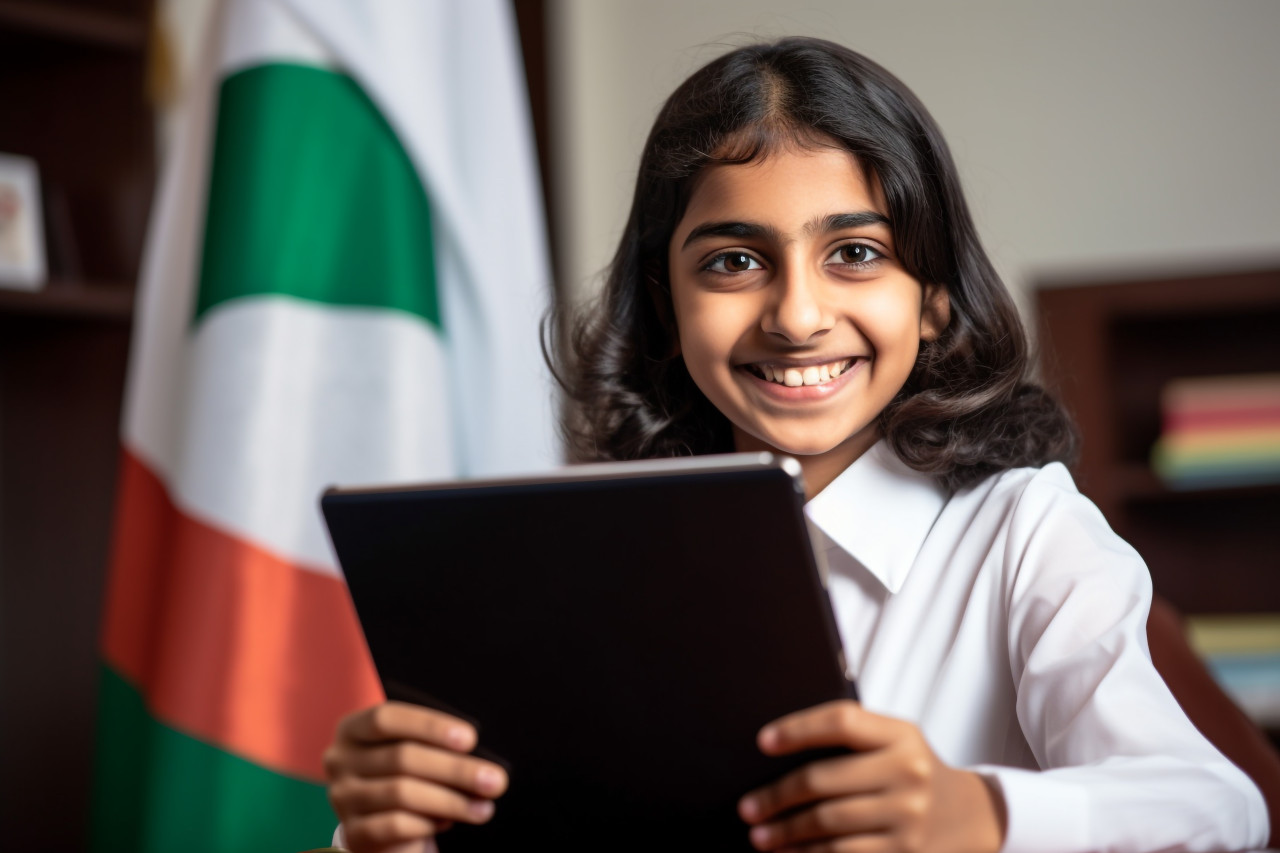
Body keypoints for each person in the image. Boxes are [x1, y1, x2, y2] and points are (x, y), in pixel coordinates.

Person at [322, 37, 1269, 852]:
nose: (799, 315)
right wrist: (396, 828)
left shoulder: (1022, 531)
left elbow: (1218, 806)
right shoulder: (582, 563)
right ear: (666, 302)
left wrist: (976, 812)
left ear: (933, 296)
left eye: (855, 252)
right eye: (734, 262)